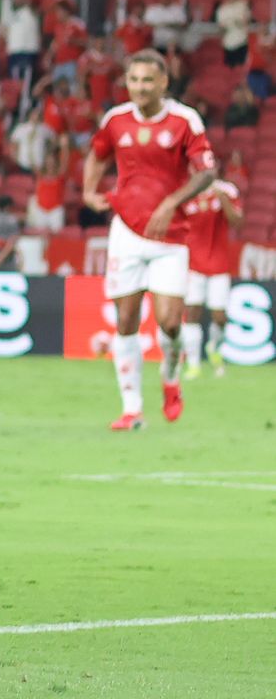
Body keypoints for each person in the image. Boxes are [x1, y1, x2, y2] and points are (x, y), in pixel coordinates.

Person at [84, 51, 216, 431]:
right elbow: (97, 154)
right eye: (134, 80)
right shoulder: (116, 119)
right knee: (125, 320)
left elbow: (207, 172)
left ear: (163, 83)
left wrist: (171, 203)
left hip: (170, 236)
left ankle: (171, 379)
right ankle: (132, 410)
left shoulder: (184, 120)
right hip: (126, 232)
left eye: (147, 80)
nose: (139, 88)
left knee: (170, 323)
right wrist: (89, 190)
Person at [180, 179, 242, 380]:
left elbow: (237, 221)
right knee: (191, 313)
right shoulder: (186, 190)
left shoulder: (226, 190)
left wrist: (222, 198)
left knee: (219, 317)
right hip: (192, 265)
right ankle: (193, 364)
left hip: (218, 265)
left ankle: (214, 347)